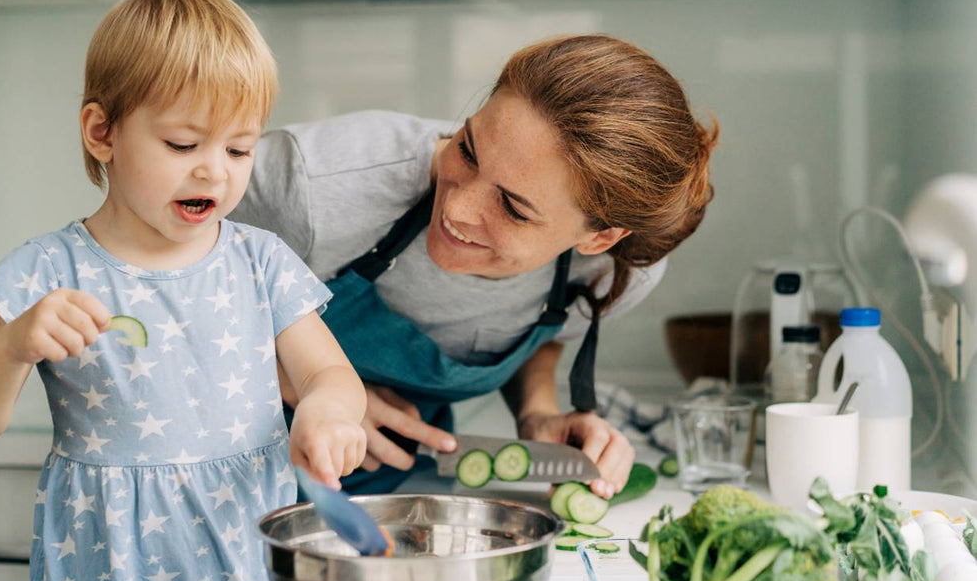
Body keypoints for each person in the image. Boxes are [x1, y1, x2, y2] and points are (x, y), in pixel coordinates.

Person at [0, 0, 368, 581]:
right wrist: (11, 348)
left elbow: (329, 374)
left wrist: (326, 412)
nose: (213, 169)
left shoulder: (262, 262)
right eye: (182, 143)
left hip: (243, 552)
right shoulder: (46, 271)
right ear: (102, 133)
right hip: (106, 558)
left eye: (240, 150)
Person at [232, 34, 718, 498]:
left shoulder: (613, 275)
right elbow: (155, 291)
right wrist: (302, 383)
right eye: (466, 149)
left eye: (513, 207)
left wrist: (537, 413)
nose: (457, 210)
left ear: (601, 237)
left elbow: (534, 331)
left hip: (382, 486)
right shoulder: (309, 184)